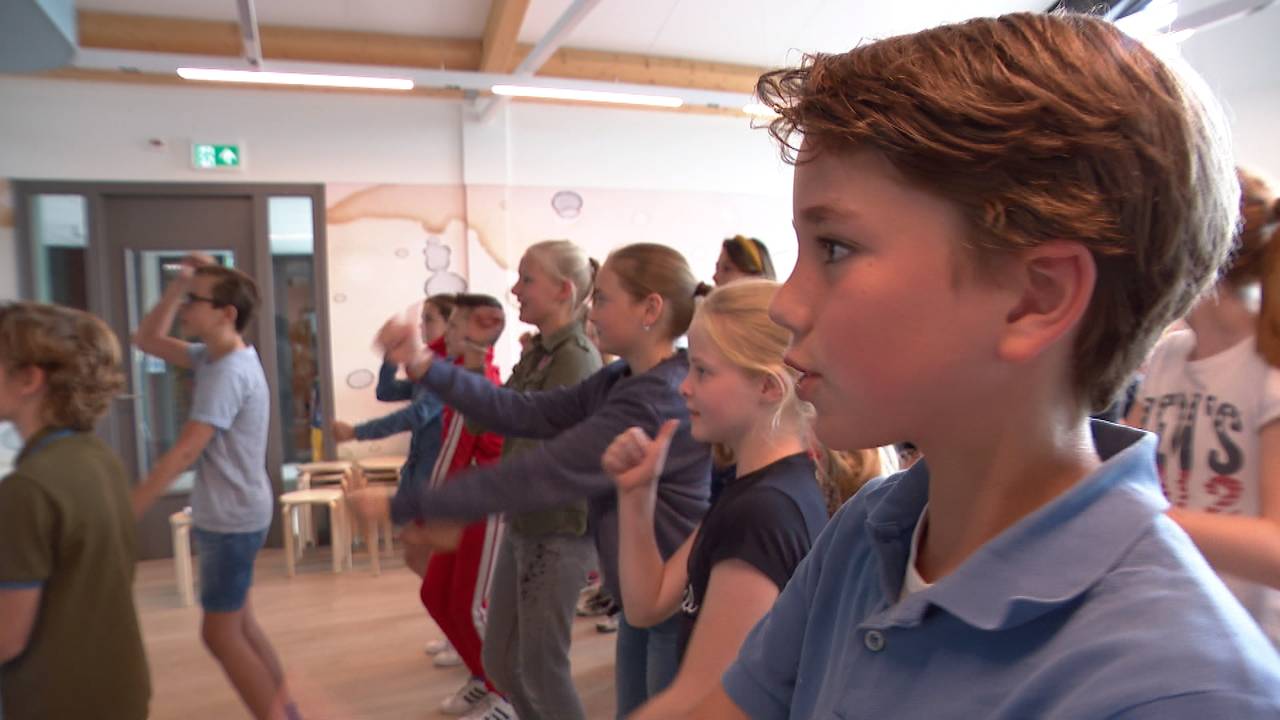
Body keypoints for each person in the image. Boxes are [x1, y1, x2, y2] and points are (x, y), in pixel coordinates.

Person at [688, 12, 1280, 719]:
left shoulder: (1187, 690)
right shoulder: (874, 527)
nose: (785, 304)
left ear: (1036, 298)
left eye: (835, 248)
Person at [367, 243, 713, 718]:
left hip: (668, 599)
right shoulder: (621, 378)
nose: (593, 311)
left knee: (550, 673)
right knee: (522, 668)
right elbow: (520, 411)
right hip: (639, 591)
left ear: (650, 309)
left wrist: (405, 503)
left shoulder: (653, 399)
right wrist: (424, 363)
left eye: (603, 299)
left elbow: (545, 470)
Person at [605, 280, 829, 718]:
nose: (684, 387)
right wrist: (636, 495)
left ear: (768, 387)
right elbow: (647, 604)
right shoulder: (754, 491)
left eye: (703, 372)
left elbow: (703, 699)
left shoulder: (761, 512)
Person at [131, 256, 295, 720]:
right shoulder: (214, 357)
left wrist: (130, 509)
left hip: (231, 518)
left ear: (226, 313)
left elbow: (187, 450)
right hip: (236, 512)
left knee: (220, 635)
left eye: (193, 301)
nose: (185, 308)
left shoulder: (226, 372)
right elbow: (146, 340)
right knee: (239, 625)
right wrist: (179, 285)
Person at [1127, 167, 1280, 644]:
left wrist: (1140, 518)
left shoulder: (1270, 368)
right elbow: (1125, 474)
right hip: (1173, 622)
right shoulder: (1169, 356)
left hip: (1248, 643)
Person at [469, 241, 603, 720]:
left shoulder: (576, 358)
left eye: (527, 279)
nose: (515, 290)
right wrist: (477, 352)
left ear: (563, 290)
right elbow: (486, 419)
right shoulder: (540, 353)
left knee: (543, 670)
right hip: (526, 521)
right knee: (502, 661)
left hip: (558, 528)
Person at [0, 302, 150, 720]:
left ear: (29, 379)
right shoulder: (99, 458)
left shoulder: (26, 489)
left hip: (56, 702)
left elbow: (7, 637)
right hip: (119, 691)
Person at [395, 294, 509, 719]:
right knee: (435, 594)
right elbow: (434, 352)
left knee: (471, 607)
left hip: (483, 507)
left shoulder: (476, 382)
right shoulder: (458, 368)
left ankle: (508, 695)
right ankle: (482, 677)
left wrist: (428, 514)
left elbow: (455, 454)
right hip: (462, 504)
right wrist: (407, 341)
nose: (447, 333)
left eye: (457, 325)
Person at [332, 294, 455, 580]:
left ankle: (457, 603)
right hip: (421, 471)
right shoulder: (430, 367)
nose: (421, 326)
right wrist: (390, 355)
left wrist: (356, 432)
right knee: (417, 551)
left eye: (429, 319)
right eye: (421, 319)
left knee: (427, 553)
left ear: (451, 324)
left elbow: (417, 414)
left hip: (439, 474)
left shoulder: (449, 368)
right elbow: (386, 392)